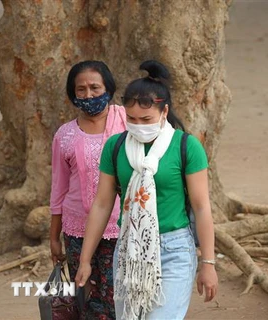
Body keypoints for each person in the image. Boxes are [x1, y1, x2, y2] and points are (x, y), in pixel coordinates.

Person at [75, 60, 218, 320]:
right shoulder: (115, 147)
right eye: (131, 119)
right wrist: (85, 258)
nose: (139, 125)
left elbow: (201, 206)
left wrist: (207, 263)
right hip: (128, 249)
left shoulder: (187, 147)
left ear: (164, 112)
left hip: (175, 251)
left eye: (146, 119)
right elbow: (102, 204)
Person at [49, 60, 126, 319]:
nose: (88, 94)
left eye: (95, 87)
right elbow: (58, 190)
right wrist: (53, 236)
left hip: (121, 229)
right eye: (80, 89)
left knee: (117, 298)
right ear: (72, 93)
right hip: (76, 231)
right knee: (86, 298)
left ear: (108, 87)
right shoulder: (65, 135)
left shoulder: (127, 122)